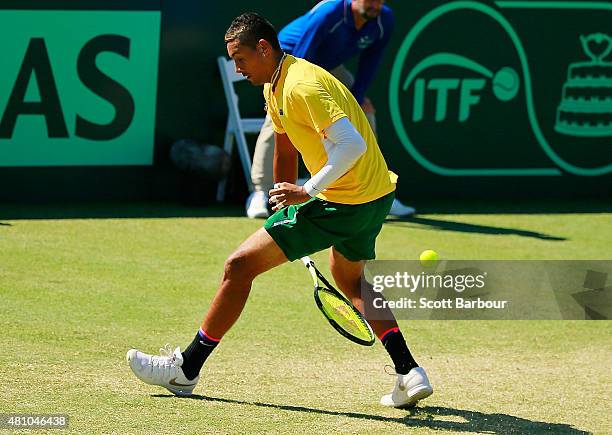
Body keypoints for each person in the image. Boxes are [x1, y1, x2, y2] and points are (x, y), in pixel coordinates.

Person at [127, 12, 433, 409]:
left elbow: (352, 145)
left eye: (241, 59)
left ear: (265, 49)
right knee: (352, 281)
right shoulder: (277, 84)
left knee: (238, 266)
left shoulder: (302, 86)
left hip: (343, 198)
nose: (237, 69)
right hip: (373, 198)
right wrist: (279, 209)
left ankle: (185, 369)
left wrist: (307, 190)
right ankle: (409, 372)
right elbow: (286, 149)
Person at [246, 0, 416, 219]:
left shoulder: (384, 19)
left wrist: (356, 98)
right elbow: (303, 54)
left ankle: (377, 188)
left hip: (327, 67)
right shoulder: (330, 12)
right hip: (291, 59)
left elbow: (371, 62)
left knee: (364, 109)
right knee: (279, 117)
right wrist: (295, 96)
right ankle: (260, 191)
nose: (376, 4)